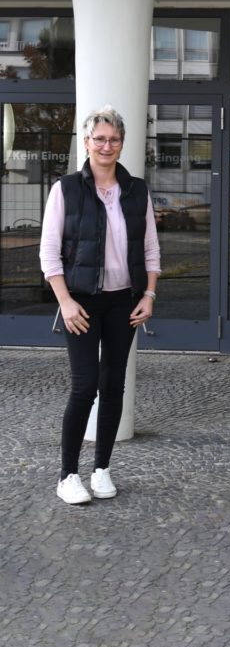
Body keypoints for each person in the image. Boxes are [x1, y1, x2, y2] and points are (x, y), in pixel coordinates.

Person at [40, 106, 161, 505]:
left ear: (121, 144)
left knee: (114, 387)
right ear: (87, 142)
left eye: (114, 139)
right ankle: (68, 475)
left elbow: (150, 250)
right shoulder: (67, 189)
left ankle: (102, 470)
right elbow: (49, 253)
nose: (107, 145)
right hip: (81, 304)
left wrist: (149, 294)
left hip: (124, 302)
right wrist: (66, 302)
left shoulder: (136, 190)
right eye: (99, 138)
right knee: (84, 386)